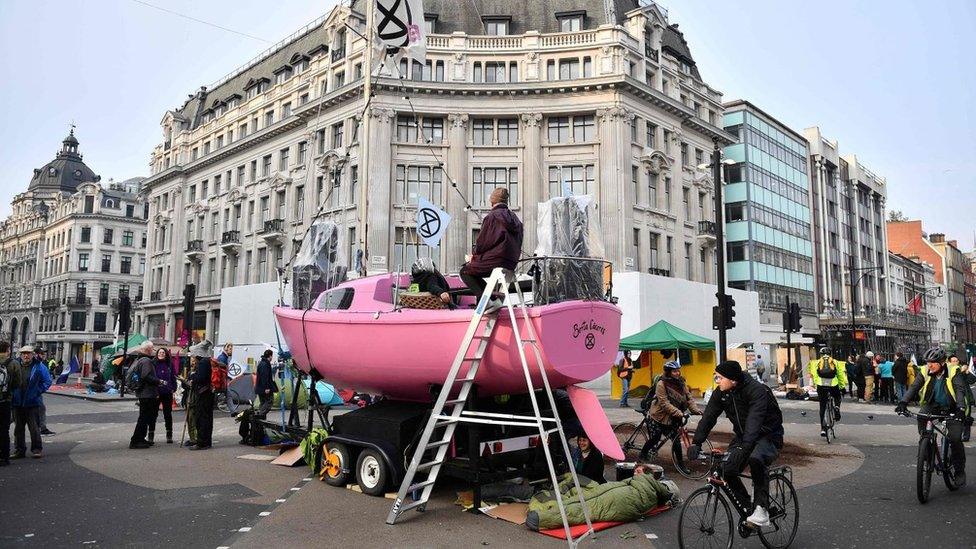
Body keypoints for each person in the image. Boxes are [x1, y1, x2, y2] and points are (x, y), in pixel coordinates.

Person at [689, 361, 784, 528]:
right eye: (715, 376)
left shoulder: (756, 390)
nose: (716, 380)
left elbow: (755, 420)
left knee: (756, 459)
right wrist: (696, 442)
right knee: (726, 468)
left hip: (768, 435)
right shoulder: (722, 393)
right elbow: (709, 417)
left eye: (719, 377)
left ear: (733, 380)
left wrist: (745, 448)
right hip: (743, 436)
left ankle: (761, 510)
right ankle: (749, 508)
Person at [896, 347, 969, 486]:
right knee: (922, 417)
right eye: (928, 362)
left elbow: (960, 391)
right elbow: (914, 387)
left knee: (954, 438)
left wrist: (960, 409)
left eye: (933, 362)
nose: (929, 365)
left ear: (942, 363)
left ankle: (959, 470)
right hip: (933, 404)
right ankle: (926, 450)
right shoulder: (924, 371)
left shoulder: (954, 371)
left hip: (953, 407)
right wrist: (903, 402)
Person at [459, 187, 523, 312]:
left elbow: (483, 242)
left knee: (465, 271)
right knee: (472, 269)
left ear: (492, 202)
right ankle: (492, 298)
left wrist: (474, 256)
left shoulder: (492, 216)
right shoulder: (516, 219)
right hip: (511, 262)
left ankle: (487, 301)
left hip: (496, 260)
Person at [638, 360, 702, 460]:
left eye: (678, 371)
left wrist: (695, 410)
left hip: (673, 417)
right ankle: (643, 454)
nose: (677, 373)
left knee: (676, 441)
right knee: (655, 438)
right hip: (658, 417)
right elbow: (664, 404)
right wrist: (680, 413)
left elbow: (689, 398)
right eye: (674, 371)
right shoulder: (661, 384)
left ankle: (681, 466)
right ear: (668, 372)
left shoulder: (681, 383)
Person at [11, 345, 51, 459]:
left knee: (34, 427)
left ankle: (37, 449)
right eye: (24, 353)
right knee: (18, 428)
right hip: (17, 402)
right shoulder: (15, 364)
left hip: (32, 402)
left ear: (32, 354)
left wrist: (37, 391)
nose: (26, 355)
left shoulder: (39, 366)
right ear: (21, 355)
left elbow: (47, 381)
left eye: (28, 353)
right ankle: (19, 450)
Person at [127, 343, 160, 449]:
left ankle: (140, 439)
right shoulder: (146, 361)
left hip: (143, 393)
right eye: (152, 349)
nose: (153, 350)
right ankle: (136, 440)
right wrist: (158, 381)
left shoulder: (139, 359)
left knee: (144, 417)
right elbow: (146, 376)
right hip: (147, 394)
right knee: (144, 417)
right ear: (148, 349)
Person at [808, 347, 846, 437]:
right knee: (837, 396)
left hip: (821, 384)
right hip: (833, 383)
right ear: (830, 354)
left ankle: (823, 429)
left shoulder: (817, 362)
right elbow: (840, 374)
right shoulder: (835, 362)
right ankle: (836, 407)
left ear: (820, 354)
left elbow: (814, 375)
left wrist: (816, 385)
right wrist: (842, 387)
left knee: (822, 406)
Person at [189, 340, 214, 450]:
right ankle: (206, 441)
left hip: (203, 393)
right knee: (207, 418)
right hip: (207, 393)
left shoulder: (203, 363)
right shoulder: (207, 361)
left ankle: (202, 442)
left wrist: (193, 377)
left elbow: (201, 378)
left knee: (202, 418)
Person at [1, 341, 23, 466]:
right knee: (4, 430)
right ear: (8, 350)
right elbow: (17, 383)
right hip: (5, 400)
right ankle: (4, 457)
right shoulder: (13, 363)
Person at [150, 347, 177, 444]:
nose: (161, 354)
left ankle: (169, 435)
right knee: (153, 414)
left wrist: (174, 388)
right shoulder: (153, 364)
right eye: (159, 352)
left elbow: (173, 377)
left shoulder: (169, 364)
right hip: (156, 392)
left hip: (167, 392)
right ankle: (151, 435)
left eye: (163, 352)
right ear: (157, 354)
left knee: (168, 414)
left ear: (166, 354)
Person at [33, 347, 54, 436]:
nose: (43, 355)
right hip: (35, 394)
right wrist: (40, 390)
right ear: (36, 354)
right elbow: (48, 381)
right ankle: (41, 429)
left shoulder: (39, 364)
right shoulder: (40, 365)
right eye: (42, 354)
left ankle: (41, 428)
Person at [254, 349, 277, 415]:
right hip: (264, 388)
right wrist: (267, 388)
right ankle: (259, 415)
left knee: (263, 402)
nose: (272, 358)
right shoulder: (265, 364)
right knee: (269, 401)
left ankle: (260, 418)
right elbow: (265, 377)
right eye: (272, 356)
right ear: (270, 356)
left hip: (260, 388)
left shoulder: (261, 363)